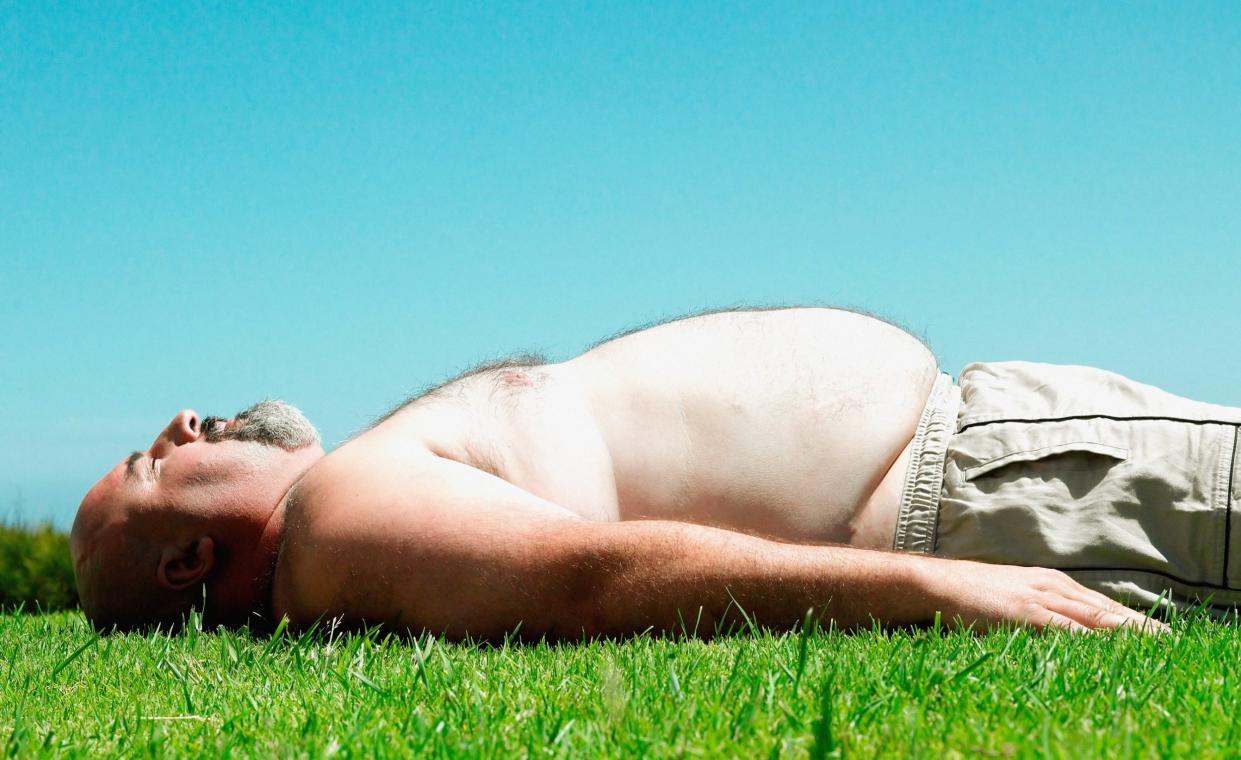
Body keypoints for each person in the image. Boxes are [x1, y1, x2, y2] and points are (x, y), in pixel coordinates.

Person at [76, 305, 1238, 638]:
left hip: (1001, 446)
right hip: (993, 490)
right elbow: (581, 576)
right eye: (148, 461)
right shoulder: (334, 524)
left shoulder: (343, 513)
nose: (179, 422)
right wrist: (934, 588)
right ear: (186, 557)